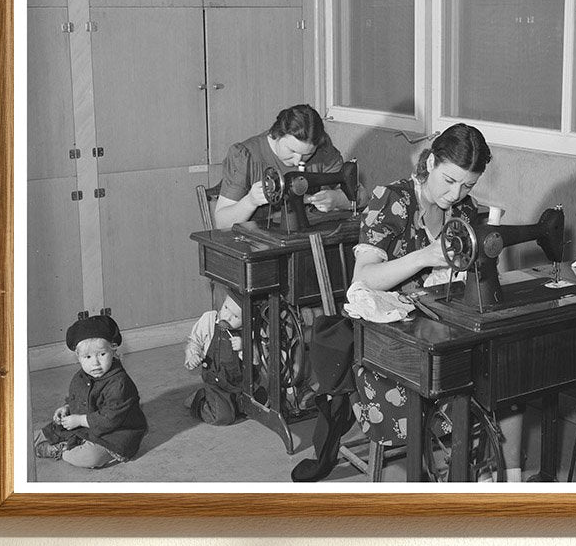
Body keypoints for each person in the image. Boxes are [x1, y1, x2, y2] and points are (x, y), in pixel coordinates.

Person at [351, 123, 523, 482]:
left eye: (468, 185)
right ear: (430, 162)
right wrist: (424, 257)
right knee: (455, 386)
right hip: (389, 343)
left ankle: (510, 481)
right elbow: (364, 277)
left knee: (508, 376)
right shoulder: (393, 199)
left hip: (440, 327)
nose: (456, 193)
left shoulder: (464, 209)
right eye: (449, 181)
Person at [34, 314, 148, 468]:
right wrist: (66, 408)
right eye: (87, 357)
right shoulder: (80, 377)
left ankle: (62, 450)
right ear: (78, 357)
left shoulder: (119, 384)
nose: (95, 363)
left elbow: (109, 419)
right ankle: (46, 440)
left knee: (90, 457)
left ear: (113, 349)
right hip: (86, 421)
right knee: (45, 432)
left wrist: (79, 420)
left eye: (102, 354)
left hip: (117, 431)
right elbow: (78, 398)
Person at [214, 103, 351, 228]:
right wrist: (250, 201)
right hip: (260, 246)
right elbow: (222, 223)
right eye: (292, 151)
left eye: (308, 154)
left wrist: (337, 199)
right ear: (276, 134)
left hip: (309, 239)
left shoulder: (324, 152)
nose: (298, 161)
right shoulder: (245, 155)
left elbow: (361, 198)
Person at [185, 290, 247, 426]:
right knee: (223, 417)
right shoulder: (210, 319)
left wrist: (244, 347)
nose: (227, 316)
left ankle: (226, 403)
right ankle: (200, 399)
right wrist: (193, 355)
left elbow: (257, 358)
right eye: (225, 308)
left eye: (235, 316)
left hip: (239, 383)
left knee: (253, 408)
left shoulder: (248, 330)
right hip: (216, 382)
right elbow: (194, 340)